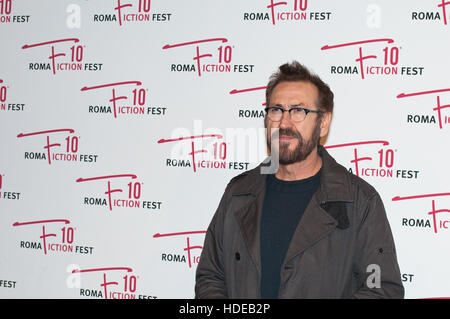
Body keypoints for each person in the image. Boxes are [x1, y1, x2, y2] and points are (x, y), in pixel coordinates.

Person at [195, 61, 404, 299]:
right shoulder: (238, 193)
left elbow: (381, 289)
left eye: (298, 111)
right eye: (276, 110)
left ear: (323, 122)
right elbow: (211, 277)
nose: (284, 123)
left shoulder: (359, 201)